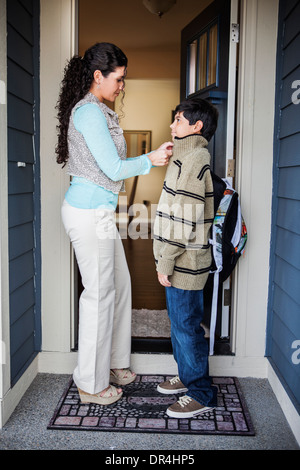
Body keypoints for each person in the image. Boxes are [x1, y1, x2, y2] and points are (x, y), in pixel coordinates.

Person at [56, 42, 172, 406]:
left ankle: (116, 364)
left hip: (100, 213)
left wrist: (148, 159)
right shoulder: (89, 113)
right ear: (97, 76)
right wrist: (151, 158)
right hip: (89, 213)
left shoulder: (99, 110)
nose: (122, 85)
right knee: (99, 296)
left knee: (118, 286)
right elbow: (114, 169)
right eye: (118, 79)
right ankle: (90, 384)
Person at [153, 98, 218, 418]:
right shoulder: (185, 157)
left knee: (186, 326)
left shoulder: (194, 157)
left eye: (178, 120)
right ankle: (187, 373)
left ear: (196, 127)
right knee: (180, 324)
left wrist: (166, 261)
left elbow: (185, 216)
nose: (172, 125)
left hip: (185, 263)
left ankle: (201, 392)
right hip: (178, 259)